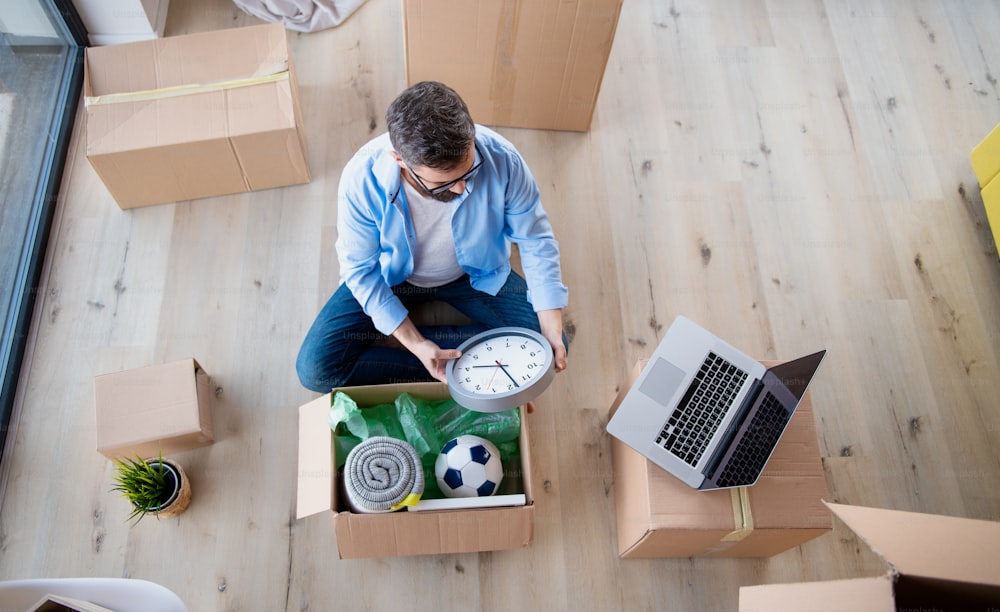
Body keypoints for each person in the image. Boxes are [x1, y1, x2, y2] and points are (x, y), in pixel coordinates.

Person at [296, 81, 568, 393]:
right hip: (393, 276)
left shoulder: (503, 159)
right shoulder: (361, 180)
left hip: (475, 272)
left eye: (469, 171)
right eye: (442, 184)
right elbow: (360, 271)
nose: (461, 189)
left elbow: (535, 239)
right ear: (401, 160)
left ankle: (410, 345)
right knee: (315, 371)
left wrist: (551, 326)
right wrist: (414, 342)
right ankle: (446, 360)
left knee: (548, 345)